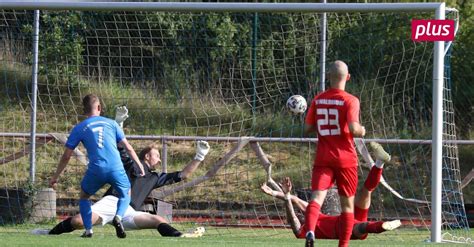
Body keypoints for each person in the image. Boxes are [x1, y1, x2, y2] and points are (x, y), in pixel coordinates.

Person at [36, 106, 210, 238]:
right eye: (157, 155)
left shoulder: (156, 177)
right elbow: (121, 147)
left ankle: (180, 236)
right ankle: (48, 234)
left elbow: (183, 175)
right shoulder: (131, 164)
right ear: (147, 156)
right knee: (77, 221)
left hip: (130, 212)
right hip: (113, 202)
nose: (159, 159)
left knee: (158, 220)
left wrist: (199, 156)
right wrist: (118, 123)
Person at [49, 95, 146, 239]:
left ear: (84, 110)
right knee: (126, 193)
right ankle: (118, 217)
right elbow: (128, 148)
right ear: (99, 108)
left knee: (84, 196)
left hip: (96, 169)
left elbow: (66, 156)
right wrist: (140, 165)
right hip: (116, 168)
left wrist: (55, 177)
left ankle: (88, 230)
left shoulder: (79, 127)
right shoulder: (112, 124)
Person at [261, 142, 399, 240]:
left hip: (346, 218)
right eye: (298, 215)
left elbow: (295, 200)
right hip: (343, 230)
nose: (298, 214)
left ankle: (380, 162)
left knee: (366, 191)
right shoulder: (304, 231)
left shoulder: (315, 215)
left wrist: (275, 193)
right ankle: (382, 225)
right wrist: (286, 199)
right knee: (360, 227)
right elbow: (293, 221)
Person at [303, 60, 366, 247]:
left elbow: (307, 128)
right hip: (345, 159)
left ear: (328, 76)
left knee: (316, 198)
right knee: (347, 206)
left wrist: (323, 127)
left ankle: (310, 231)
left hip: (323, 157)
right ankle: (343, 245)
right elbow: (354, 129)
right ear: (347, 77)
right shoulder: (350, 100)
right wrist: (362, 130)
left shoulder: (318, 99)